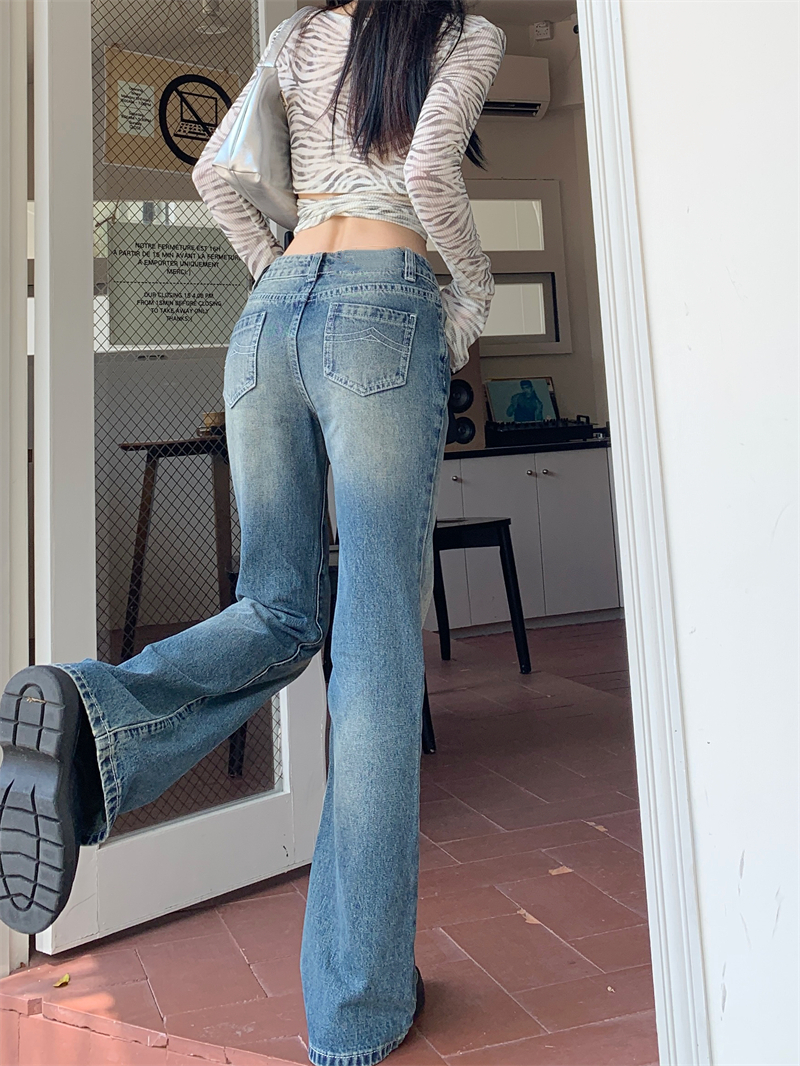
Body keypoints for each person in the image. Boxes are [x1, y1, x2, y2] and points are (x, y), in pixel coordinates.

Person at [0, 2, 506, 1062]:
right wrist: (470, 297)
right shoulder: (463, 33)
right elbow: (425, 173)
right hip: (384, 301)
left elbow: (213, 174)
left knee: (278, 607)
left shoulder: (294, 35)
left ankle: (95, 720)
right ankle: (358, 1009)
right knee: (374, 650)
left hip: (269, 319)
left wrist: (273, 271)